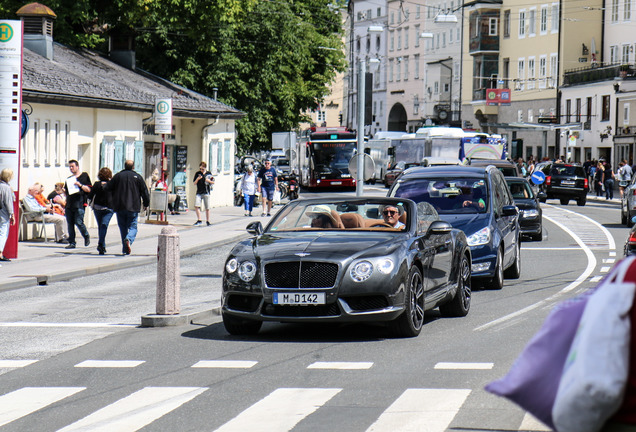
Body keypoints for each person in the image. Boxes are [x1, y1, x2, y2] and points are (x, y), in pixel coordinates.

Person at [105, 160, 150, 255]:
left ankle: (124, 247)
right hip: (133, 206)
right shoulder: (138, 177)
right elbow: (144, 191)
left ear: (124, 166)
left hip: (120, 206)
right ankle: (128, 239)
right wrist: (146, 203)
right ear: (133, 167)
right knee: (133, 227)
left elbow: (107, 188)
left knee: (122, 227)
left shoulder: (118, 176)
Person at [63, 159, 91, 249]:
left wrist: (80, 185)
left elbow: (89, 190)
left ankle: (86, 235)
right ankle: (72, 242)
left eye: (73, 166)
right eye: (70, 167)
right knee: (70, 223)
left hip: (79, 203)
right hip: (70, 203)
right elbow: (66, 192)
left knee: (79, 222)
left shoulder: (84, 176)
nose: (71, 168)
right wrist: (64, 191)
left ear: (77, 166)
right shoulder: (69, 179)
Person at [88, 167, 114, 255]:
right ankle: (102, 245)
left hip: (98, 207)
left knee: (102, 226)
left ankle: (101, 244)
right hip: (109, 208)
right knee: (103, 225)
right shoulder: (112, 184)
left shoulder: (96, 184)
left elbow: (90, 195)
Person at [0, 168, 15, 263]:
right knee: (3, 232)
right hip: (3, 213)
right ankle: (0, 253)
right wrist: (12, 214)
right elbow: (8, 202)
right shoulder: (6, 187)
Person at [193, 161, 214, 226]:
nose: (201, 170)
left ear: (205, 168)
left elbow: (213, 182)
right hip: (199, 192)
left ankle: (208, 220)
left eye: (202, 169)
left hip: (206, 192)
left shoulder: (208, 174)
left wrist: (208, 181)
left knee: (207, 207)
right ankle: (199, 220)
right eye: (200, 169)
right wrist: (198, 179)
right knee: (196, 206)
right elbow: (194, 183)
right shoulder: (198, 173)